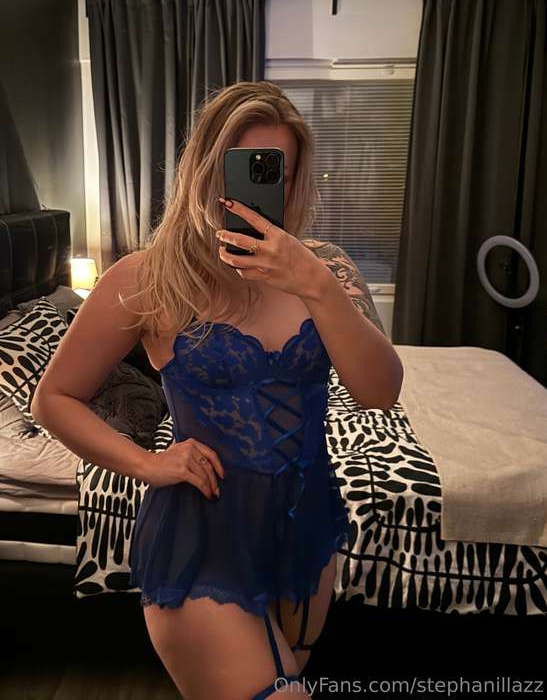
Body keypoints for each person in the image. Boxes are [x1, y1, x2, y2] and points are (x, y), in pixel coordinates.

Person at [31, 80, 403, 700]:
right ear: (205, 172)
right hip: (202, 537)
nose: (255, 192)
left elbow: (380, 392)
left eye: (275, 173)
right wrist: (147, 463)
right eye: (240, 170)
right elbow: (54, 398)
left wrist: (316, 285)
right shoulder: (149, 277)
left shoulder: (328, 270)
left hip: (306, 532)